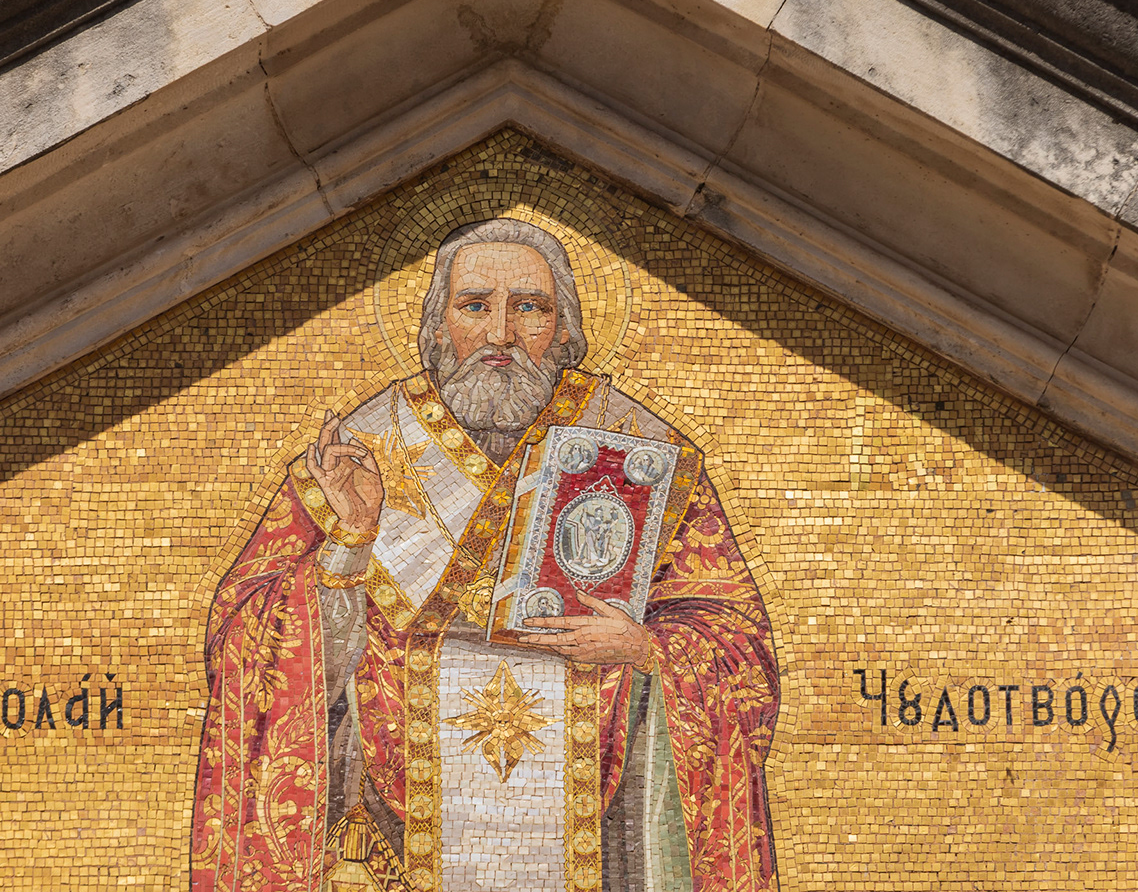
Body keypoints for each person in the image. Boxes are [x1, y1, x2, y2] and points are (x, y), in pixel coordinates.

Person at [192, 219, 779, 892]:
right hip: (393, 826)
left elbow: (739, 651)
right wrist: (350, 541)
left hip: (601, 816)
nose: (501, 334)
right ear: (439, 326)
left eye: (530, 307)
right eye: (475, 306)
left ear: (564, 329)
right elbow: (245, 648)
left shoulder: (642, 448)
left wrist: (645, 649)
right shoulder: (359, 450)